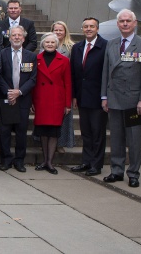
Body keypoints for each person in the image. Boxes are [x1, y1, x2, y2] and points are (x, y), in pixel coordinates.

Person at [101, 9, 141, 188]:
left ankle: (133, 173)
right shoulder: (112, 44)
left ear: (135, 23)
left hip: (134, 100)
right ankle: (116, 170)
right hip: (114, 97)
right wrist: (104, 96)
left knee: (134, 140)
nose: (125, 24)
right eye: (122, 21)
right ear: (117, 24)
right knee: (116, 138)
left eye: (128, 21)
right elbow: (106, 72)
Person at [69, 17, 108, 176]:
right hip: (82, 97)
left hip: (98, 98)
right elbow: (74, 73)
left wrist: (106, 96)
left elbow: (108, 73)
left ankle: (96, 165)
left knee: (97, 133)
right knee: (86, 132)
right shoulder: (77, 47)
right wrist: (74, 95)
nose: (89, 29)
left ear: (97, 29)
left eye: (92, 26)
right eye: (86, 26)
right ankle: (86, 161)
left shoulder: (105, 46)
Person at [0, 26, 37, 172]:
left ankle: (19, 160)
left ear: (24, 38)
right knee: (5, 131)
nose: (16, 37)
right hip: (6, 99)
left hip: (23, 99)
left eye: (19, 35)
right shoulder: (2, 54)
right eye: (14, 35)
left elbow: (33, 79)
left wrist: (19, 92)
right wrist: (9, 93)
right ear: (9, 37)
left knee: (21, 132)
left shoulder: (31, 56)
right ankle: (6, 160)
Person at [32, 33, 72, 174]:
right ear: (42, 44)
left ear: (57, 44)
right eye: (47, 42)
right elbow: (33, 82)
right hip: (41, 99)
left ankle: (50, 162)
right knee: (43, 131)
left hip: (56, 100)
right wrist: (32, 101)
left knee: (53, 132)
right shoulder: (36, 59)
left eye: (52, 42)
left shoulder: (64, 60)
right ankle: (44, 160)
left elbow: (67, 83)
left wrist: (67, 104)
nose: (49, 44)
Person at [49, 21, 75, 152]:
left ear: (65, 32)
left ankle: (60, 143)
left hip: (63, 87)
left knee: (64, 118)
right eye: (56, 30)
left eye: (61, 30)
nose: (58, 32)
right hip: (48, 88)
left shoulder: (71, 47)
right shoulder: (46, 45)